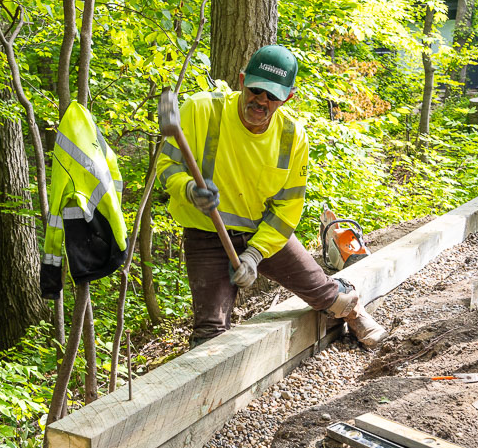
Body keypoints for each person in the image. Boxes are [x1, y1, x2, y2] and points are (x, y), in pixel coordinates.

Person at [157, 45, 387, 348]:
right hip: (207, 232)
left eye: (273, 95)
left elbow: (287, 208)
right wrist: (187, 189)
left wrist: (254, 254)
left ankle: (353, 309)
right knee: (209, 333)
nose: (261, 101)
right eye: (256, 90)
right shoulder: (201, 111)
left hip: (263, 231)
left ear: (288, 97)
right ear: (242, 80)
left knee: (324, 295)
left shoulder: (291, 137)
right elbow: (167, 167)